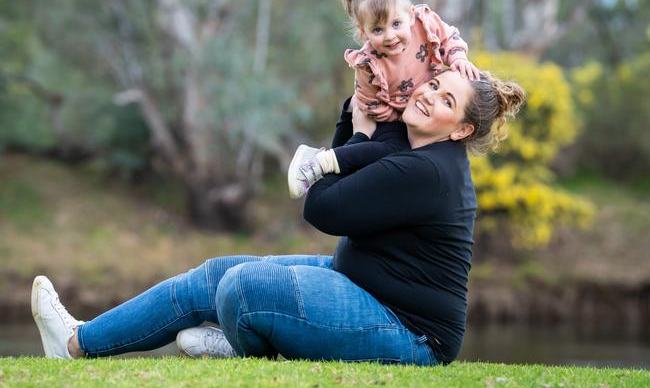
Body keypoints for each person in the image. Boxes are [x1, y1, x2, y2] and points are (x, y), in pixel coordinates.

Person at [32, 69, 524, 366]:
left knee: (244, 288)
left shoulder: (427, 171)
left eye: (445, 100)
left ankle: (242, 341)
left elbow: (323, 206)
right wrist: (354, 124)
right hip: (358, 281)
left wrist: (351, 141)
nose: (429, 95)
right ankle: (76, 342)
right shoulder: (407, 143)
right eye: (434, 84)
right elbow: (348, 158)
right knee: (214, 275)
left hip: (410, 331)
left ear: (461, 129)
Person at [288, 0, 480, 199]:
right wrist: (397, 117)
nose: (390, 36)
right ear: (363, 32)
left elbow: (449, 37)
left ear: (410, 15)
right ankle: (321, 162)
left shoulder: (425, 24)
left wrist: (458, 57)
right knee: (392, 149)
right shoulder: (369, 63)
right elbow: (368, 100)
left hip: (421, 107)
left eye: (396, 24)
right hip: (392, 115)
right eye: (378, 30)